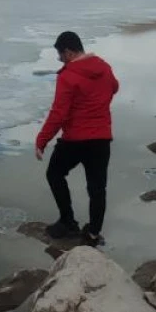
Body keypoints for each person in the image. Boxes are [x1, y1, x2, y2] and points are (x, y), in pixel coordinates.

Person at [35, 31, 119, 246]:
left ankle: (67, 222)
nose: (59, 59)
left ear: (70, 52)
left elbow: (59, 113)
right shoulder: (104, 68)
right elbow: (114, 87)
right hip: (101, 139)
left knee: (54, 174)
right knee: (97, 188)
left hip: (75, 140)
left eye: (60, 55)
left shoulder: (68, 75)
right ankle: (92, 233)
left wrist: (41, 140)